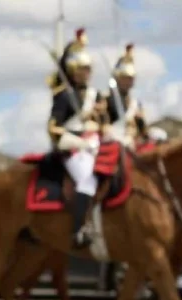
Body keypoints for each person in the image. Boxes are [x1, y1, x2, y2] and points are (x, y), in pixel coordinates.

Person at [47, 28, 104, 248]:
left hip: (96, 144)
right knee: (87, 180)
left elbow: (103, 122)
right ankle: (78, 229)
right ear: (72, 70)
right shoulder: (62, 95)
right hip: (73, 148)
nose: (87, 73)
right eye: (82, 69)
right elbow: (53, 128)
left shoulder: (95, 95)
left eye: (88, 69)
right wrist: (81, 142)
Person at [101, 44, 146, 148]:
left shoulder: (135, 103)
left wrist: (139, 121)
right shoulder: (108, 98)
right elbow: (103, 124)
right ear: (119, 78)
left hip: (131, 141)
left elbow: (142, 130)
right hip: (112, 141)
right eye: (126, 78)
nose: (129, 81)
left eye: (131, 78)